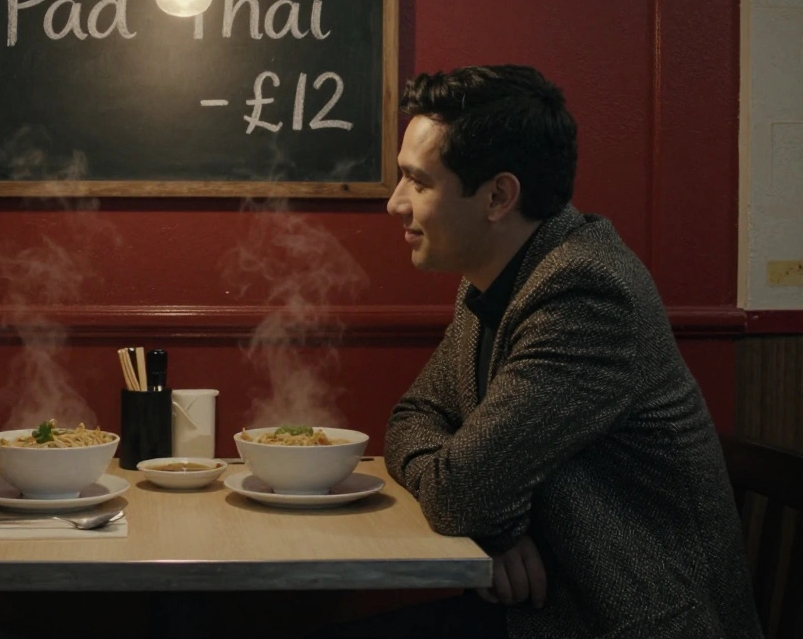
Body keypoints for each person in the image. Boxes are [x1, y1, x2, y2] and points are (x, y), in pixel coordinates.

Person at [318, 66, 760, 638]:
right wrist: (491, 523)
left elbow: (461, 497)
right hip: (545, 606)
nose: (395, 204)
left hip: (621, 620)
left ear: (498, 196)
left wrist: (482, 512)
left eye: (418, 182)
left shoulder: (585, 292)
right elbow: (414, 417)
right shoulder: (497, 277)